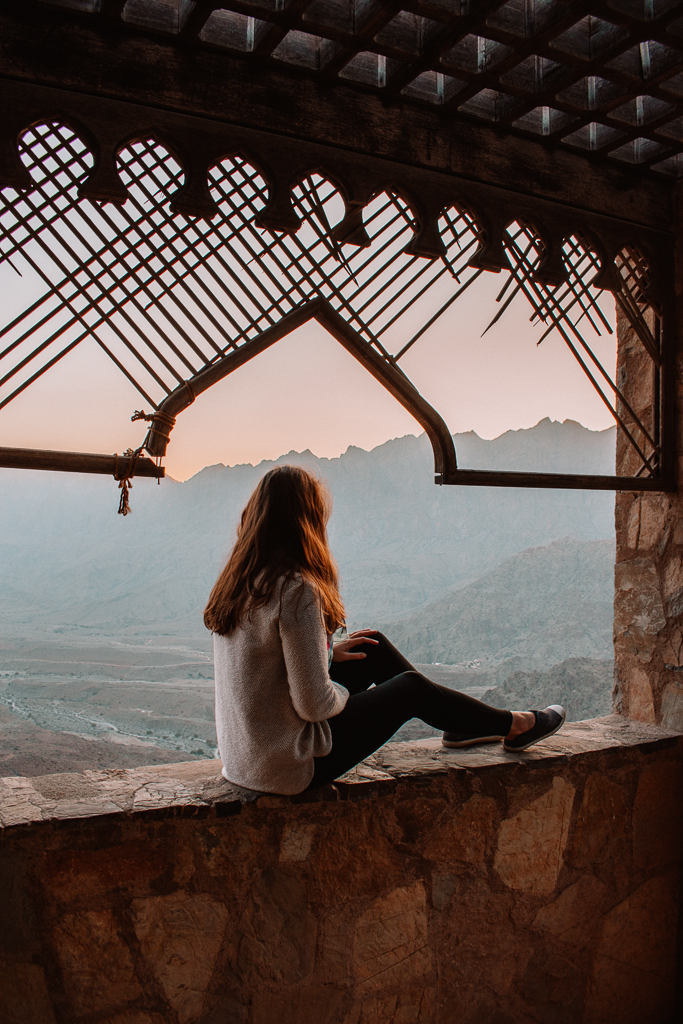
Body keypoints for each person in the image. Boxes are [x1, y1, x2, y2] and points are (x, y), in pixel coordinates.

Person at [204, 465, 565, 796]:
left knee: (370, 647)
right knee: (410, 689)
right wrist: (340, 687)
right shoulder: (296, 590)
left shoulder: (241, 583)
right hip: (287, 766)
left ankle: (462, 723)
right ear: (307, 520)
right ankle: (515, 724)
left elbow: (269, 670)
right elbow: (314, 705)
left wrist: (327, 656)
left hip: (246, 759)